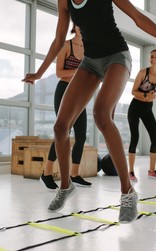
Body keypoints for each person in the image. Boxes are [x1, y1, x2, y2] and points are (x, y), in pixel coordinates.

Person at [22, 0, 156, 223]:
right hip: (89, 62)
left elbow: (139, 18)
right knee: (60, 127)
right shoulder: (64, 1)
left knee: (101, 115)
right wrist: (39, 73)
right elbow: (59, 39)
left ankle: (127, 192)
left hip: (117, 56)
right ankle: (66, 186)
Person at [40, 24, 92, 190]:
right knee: (63, 133)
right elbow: (59, 72)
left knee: (81, 135)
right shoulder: (66, 45)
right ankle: (46, 173)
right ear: (75, 27)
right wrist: (79, 70)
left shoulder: (90, 49)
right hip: (64, 90)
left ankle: (74, 175)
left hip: (80, 93)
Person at [128, 49, 156, 182]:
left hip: (147, 109)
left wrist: (155, 96)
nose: (154, 59)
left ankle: (151, 171)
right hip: (135, 107)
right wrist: (145, 95)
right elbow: (133, 91)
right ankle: (131, 172)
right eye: (152, 57)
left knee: (155, 139)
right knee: (135, 138)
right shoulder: (143, 72)